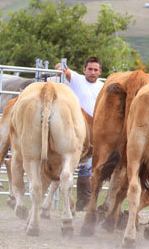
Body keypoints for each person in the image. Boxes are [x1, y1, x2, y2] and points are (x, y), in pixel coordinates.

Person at [55, 57, 104, 211]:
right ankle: (65, 200)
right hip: (74, 129)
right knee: (67, 162)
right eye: (90, 69)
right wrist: (60, 68)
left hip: (93, 130)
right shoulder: (77, 79)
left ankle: (84, 202)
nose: (92, 72)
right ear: (84, 70)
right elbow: (62, 69)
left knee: (88, 166)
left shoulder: (103, 87)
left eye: (96, 70)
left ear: (100, 72)